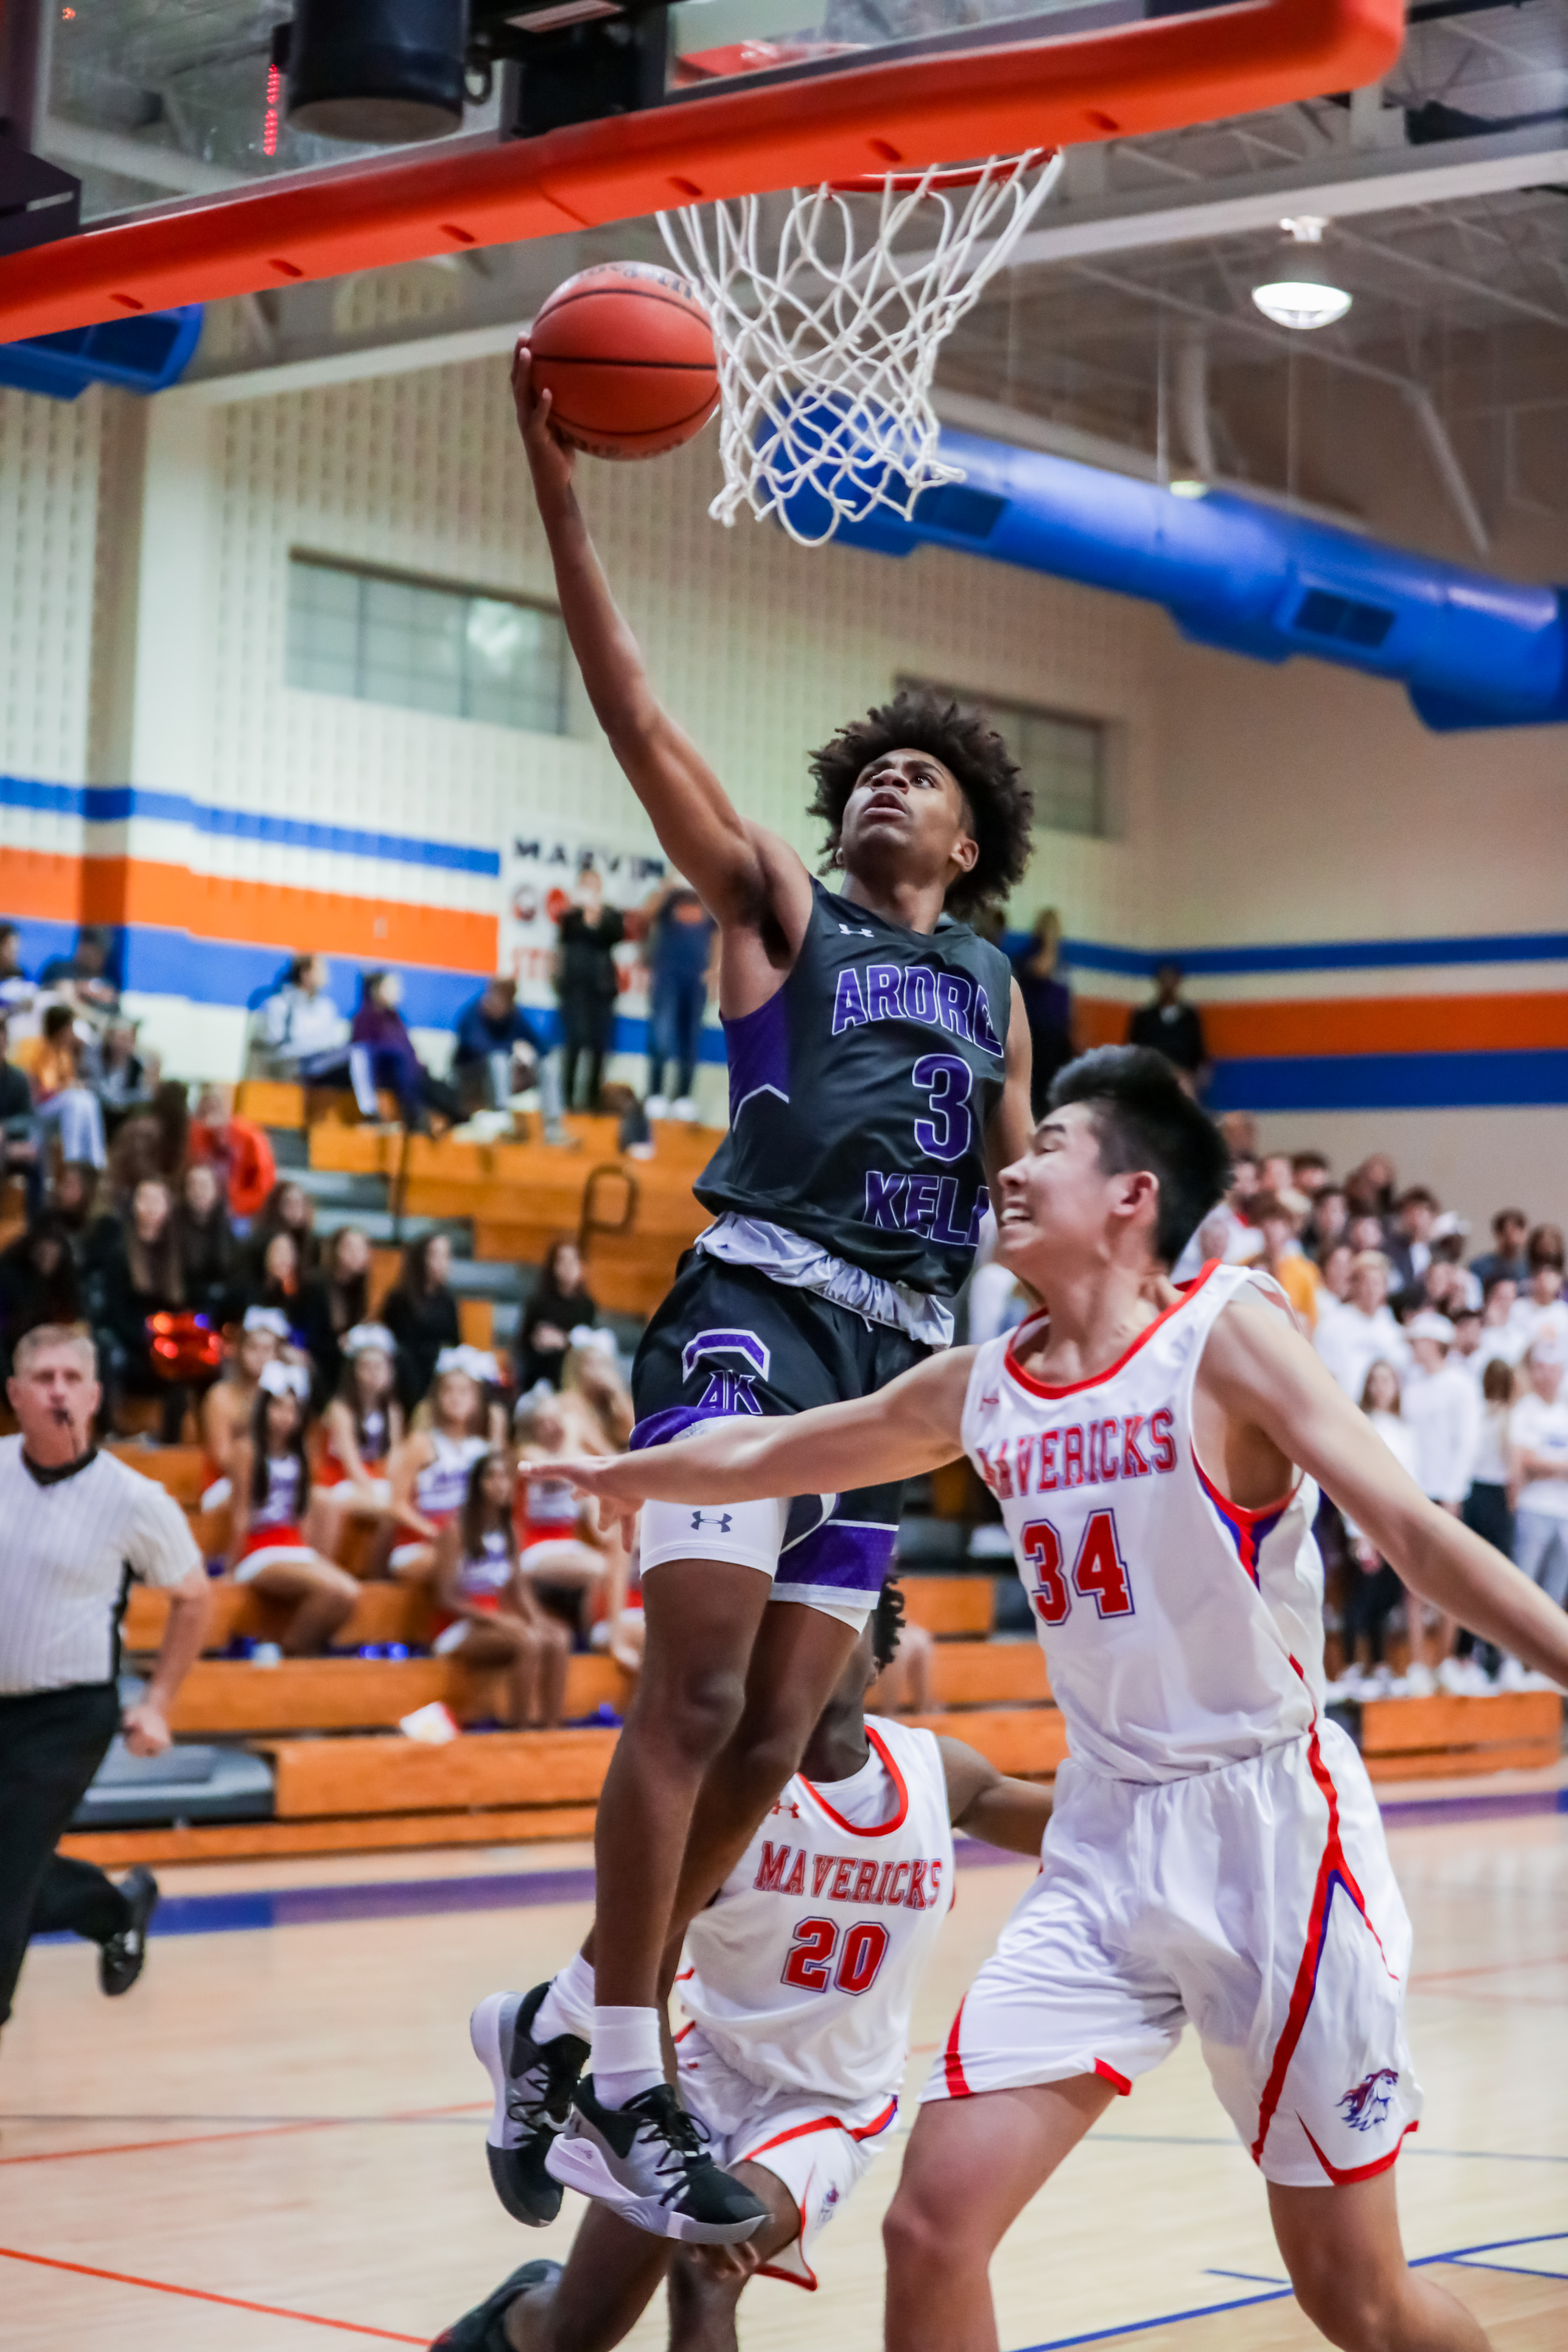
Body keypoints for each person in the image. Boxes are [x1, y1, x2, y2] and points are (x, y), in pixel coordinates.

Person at [549, 1045, 1568, 2352]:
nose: (1013, 1165)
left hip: (1275, 1836)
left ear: (1134, 1193)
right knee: (930, 2224)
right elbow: (779, 1443)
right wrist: (628, 1467)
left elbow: (1417, 1535)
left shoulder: (1223, 1336)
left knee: (1351, 2293)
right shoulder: (983, 1381)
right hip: (1104, 1843)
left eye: (1051, 1146)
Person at [476, 341, 1034, 2247]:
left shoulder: (998, 994)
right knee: (703, 1688)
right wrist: (563, 493)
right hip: (754, 1311)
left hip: (895, 1371)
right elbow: (638, 722)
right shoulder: (785, 912)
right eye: (874, 763)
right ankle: (627, 2069)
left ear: (968, 844)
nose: (893, 777)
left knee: (792, 1733)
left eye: (928, 777)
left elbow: (1021, 1197)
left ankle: (553, 2014)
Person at [451, 1580, 1052, 2340]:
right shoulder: (717, 1801)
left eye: (840, 1620)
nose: (816, 1639)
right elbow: (640, 1988)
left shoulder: (937, 1774)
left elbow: (1079, 1830)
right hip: (696, 2078)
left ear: (877, 1653)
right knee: (574, 2334)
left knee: (708, 2272)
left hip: (830, 2104)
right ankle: (511, 2322)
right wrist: (661, 2130)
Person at [0, 1326, 209, 2028]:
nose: (57, 1389)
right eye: (42, 1377)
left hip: (69, 1714)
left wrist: (158, 1702)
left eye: (70, 1378)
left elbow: (193, 1595)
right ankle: (113, 1908)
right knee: (14, 1865)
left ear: (92, 1396)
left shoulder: (133, 1499)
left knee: (6, 1872)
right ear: (15, 1395)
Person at [431, 1450, 570, 1730]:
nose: (500, 1484)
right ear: (476, 1485)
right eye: (491, 1477)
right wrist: (496, 1619)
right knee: (528, 1641)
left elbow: (519, 1590)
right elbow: (446, 1598)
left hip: (498, 1622)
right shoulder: (455, 1530)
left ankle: (552, 1729)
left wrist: (540, 1621)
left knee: (559, 1638)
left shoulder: (512, 1531)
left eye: (505, 1478)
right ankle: (519, 1733)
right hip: (459, 1626)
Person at [225, 1364, 358, 1653]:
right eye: (278, 1407)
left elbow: (302, 1516)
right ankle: (286, 1654)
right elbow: (241, 1518)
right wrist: (229, 1574)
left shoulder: (302, 1454)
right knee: (334, 1590)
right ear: (263, 1408)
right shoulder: (246, 1451)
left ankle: (293, 1653)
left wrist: (312, 1559)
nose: (286, 1417)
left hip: (293, 1547)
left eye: (293, 1410)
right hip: (259, 1550)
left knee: (350, 1593)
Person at [1402, 1310, 1482, 1692]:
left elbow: (1466, 1443)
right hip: (1413, 1493)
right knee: (1412, 1581)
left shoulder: (1461, 1385)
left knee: (1448, 1581)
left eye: (1418, 1340)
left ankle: (1447, 1660)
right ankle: (1419, 1665)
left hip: (1446, 1495)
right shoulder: (1411, 1386)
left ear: (1433, 1343)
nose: (1413, 1346)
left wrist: (1452, 1494)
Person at [1339, 1359, 1424, 1696]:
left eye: (1387, 1380)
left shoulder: (1406, 1432)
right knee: (1361, 1597)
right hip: (1368, 1524)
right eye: (1375, 1381)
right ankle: (1349, 1665)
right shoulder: (1360, 1426)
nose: (1381, 1387)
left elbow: (1412, 1480)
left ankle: (1378, 1663)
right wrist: (1358, 1531)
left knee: (1387, 1597)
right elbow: (1351, 1479)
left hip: (1398, 1526)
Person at [383, 1350, 495, 1581]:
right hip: (417, 1545)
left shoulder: (481, 1449)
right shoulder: (421, 1443)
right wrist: (437, 1534)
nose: (456, 1398)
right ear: (437, 1397)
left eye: (464, 1392)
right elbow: (396, 1506)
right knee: (464, 1568)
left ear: (476, 1401)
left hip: (463, 1543)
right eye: (448, 1391)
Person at [92, 1177, 190, 1440]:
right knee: (106, 1351)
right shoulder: (118, 1251)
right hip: (129, 1342)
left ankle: (172, 1441)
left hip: (162, 1347)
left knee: (186, 1362)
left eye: (157, 1200)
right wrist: (146, 1339)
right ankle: (108, 1432)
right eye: (144, 1199)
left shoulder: (176, 1255)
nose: (150, 1207)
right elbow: (113, 1313)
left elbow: (181, 1309)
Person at [303, 1322, 403, 1560]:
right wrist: (383, 1497)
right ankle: (379, 1574)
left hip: (375, 1480)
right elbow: (352, 1466)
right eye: (366, 1367)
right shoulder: (340, 1410)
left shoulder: (392, 1410)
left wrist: (398, 1489)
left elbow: (395, 1458)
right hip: (338, 1482)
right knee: (394, 1510)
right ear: (353, 1370)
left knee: (403, 1505)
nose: (374, 1373)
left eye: (380, 1367)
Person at [453, 974, 570, 1142]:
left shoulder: (514, 1016)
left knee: (548, 1064)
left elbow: (540, 1045)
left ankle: (554, 1129)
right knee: (499, 1060)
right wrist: (512, 1060)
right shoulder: (474, 1013)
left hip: (506, 1076)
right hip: (473, 1077)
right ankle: (503, 1121)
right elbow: (474, 1050)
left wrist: (528, 1063)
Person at [350, 970, 463, 1132]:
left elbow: (409, 1050)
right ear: (377, 990)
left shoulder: (396, 1018)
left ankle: (460, 1117)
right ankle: (418, 1117)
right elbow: (364, 1060)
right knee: (401, 1062)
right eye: (392, 986)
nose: (398, 991)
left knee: (440, 1086)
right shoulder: (364, 1019)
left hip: (412, 1077)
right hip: (388, 1077)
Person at [643, 878, 716, 1119]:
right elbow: (647, 915)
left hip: (696, 981)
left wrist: (715, 970)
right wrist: (668, 884)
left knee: (691, 1040)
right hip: (667, 978)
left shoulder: (710, 892)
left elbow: (720, 934)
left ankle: (684, 1097)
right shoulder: (670, 897)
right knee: (660, 1037)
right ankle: (655, 1094)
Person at [1507, 1340, 1568, 1623]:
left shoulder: (1564, 1411)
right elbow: (1526, 1461)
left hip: (1563, 1511)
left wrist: (1546, 1464)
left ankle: (1545, 1663)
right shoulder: (1526, 1410)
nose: (1548, 1375)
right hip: (1533, 1507)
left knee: (1556, 1590)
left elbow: (1537, 1460)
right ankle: (1510, 1660)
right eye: (1542, 1369)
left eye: (1554, 1369)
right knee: (1523, 1586)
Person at [555, 872, 624, 1114]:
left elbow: (615, 935)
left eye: (594, 886)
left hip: (601, 990)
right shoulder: (570, 915)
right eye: (586, 886)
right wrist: (581, 912)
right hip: (574, 989)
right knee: (574, 1042)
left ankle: (593, 1100)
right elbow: (565, 936)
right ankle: (566, 1099)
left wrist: (596, 916)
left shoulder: (611, 915)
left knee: (598, 1045)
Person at [1313, 1247, 1409, 1400]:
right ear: (1355, 1285)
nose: (1372, 1290)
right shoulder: (1333, 1324)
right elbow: (1320, 1373)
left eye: (1377, 1284)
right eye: (1366, 1283)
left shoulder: (1392, 1331)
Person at [382, 1231, 461, 1412]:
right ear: (421, 1259)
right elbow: (396, 1343)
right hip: (409, 1369)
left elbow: (455, 1341)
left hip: (438, 1367)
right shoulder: (400, 1298)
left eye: (447, 1256)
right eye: (436, 1256)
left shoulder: (448, 1299)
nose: (443, 1263)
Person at [296, 1223, 373, 1404]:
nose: (356, 1254)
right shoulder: (316, 1285)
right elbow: (306, 1332)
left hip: (344, 1353)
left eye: (361, 1249)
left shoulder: (359, 1287)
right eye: (350, 1247)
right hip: (317, 1354)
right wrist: (340, 1342)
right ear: (336, 1250)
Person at [1011, 907, 1074, 1120]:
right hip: (1035, 1034)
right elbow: (1042, 970)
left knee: (1055, 1092)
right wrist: (1049, 943)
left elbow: (1067, 998)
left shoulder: (1063, 960)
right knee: (1032, 1093)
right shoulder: (1030, 954)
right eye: (1050, 926)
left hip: (1058, 1038)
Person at [0, 1218, 82, 1378]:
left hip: (47, 1347)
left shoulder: (64, 1277)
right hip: (13, 1347)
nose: (48, 1256)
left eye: (54, 1250)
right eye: (44, 1248)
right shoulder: (9, 1273)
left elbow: (76, 1316)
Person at [516, 1238, 598, 1394]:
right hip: (541, 1379)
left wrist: (562, 1340)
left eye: (574, 1262)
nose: (568, 1268)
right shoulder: (538, 1303)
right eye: (562, 1261)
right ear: (553, 1266)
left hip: (574, 1382)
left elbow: (587, 1346)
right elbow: (525, 1345)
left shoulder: (587, 1306)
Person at [31, 1004, 107, 1172]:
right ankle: (72, 1156)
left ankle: (96, 1158)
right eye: (70, 1028)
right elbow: (45, 1091)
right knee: (73, 1100)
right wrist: (69, 1087)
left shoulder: (65, 1054)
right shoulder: (40, 1050)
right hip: (40, 1109)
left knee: (89, 1099)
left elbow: (69, 1083)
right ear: (62, 1029)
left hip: (58, 1105)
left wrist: (75, 1086)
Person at [187, 1084, 276, 1225]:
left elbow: (263, 1183)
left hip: (239, 1213)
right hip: (203, 1210)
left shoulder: (249, 1140)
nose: (211, 1118)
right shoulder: (197, 1140)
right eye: (204, 1112)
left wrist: (238, 1207)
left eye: (216, 1109)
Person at [258, 953, 352, 1082]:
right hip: (293, 1065)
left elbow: (331, 1043)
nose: (326, 975)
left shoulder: (327, 1008)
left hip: (323, 1066)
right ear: (305, 973)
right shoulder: (281, 1004)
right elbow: (274, 1045)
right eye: (320, 970)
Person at [1126, 960, 1207, 1094]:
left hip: (1183, 1078)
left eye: (1172, 979)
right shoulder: (1143, 1017)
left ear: (1178, 982)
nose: (1168, 985)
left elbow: (1198, 1051)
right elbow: (1134, 1051)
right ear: (1158, 982)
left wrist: (1190, 1073)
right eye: (1164, 979)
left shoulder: (1190, 1017)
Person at [173, 1158, 236, 1324]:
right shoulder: (173, 1227)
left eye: (205, 1186)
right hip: (182, 1308)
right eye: (193, 1185)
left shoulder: (226, 1228)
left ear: (216, 1190)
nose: (198, 1192)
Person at [247, 1178, 321, 1284]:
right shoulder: (259, 1244)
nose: (296, 1209)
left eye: (300, 1203)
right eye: (289, 1203)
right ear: (276, 1205)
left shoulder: (312, 1244)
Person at [1470, 1208, 1529, 1293]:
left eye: (1520, 1232)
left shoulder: (1531, 1267)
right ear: (1498, 1234)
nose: (1515, 1239)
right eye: (1509, 1233)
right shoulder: (1481, 1266)